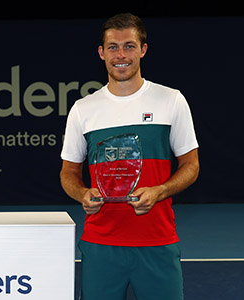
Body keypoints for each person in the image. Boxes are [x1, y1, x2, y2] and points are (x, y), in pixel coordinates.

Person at [60, 13, 200, 300]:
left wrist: (160, 190)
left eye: (129, 46)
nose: (120, 55)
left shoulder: (171, 100)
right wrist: (82, 193)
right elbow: (68, 172)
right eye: (113, 47)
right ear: (101, 53)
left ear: (143, 50)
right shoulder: (83, 109)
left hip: (158, 241)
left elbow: (191, 165)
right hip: (101, 245)